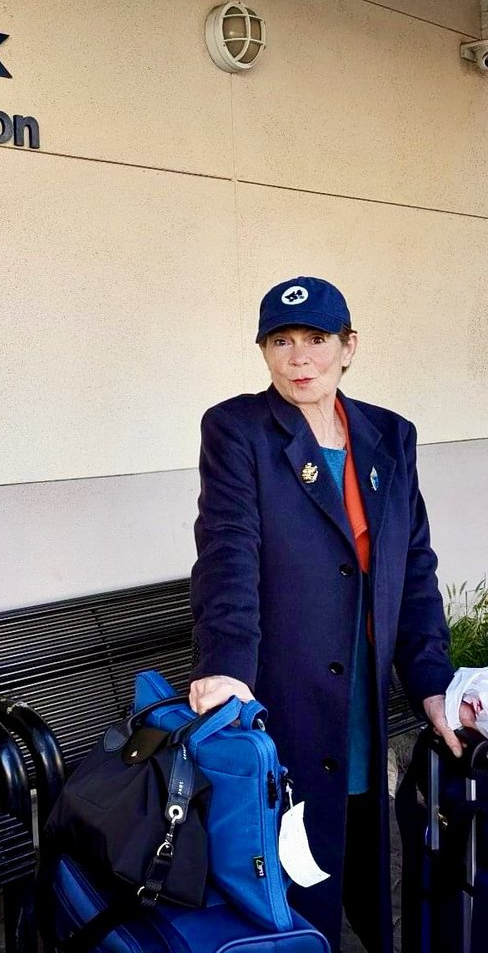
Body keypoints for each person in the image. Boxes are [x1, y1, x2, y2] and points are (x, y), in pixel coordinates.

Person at [188, 275, 465, 953]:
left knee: (362, 838)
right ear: (263, 352)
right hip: (289, 689)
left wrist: (433, 682)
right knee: (291, 860)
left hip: (364, 687)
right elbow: (228, 554)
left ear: (349, 346)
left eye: (316, 339)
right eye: (280, 341)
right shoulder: (237, 429)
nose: (299, 358)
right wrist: (227, 667)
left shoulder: (390, 435)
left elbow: (414, 568)